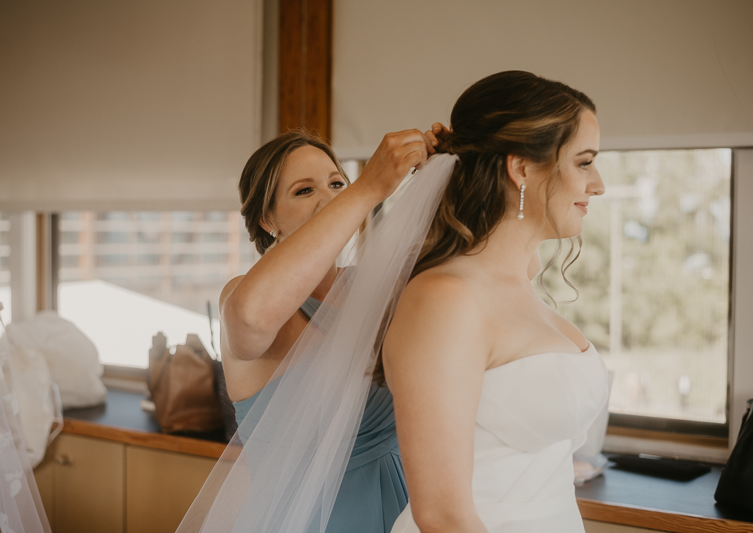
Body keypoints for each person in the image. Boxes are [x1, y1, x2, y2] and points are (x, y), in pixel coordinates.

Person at [384, 71, 609, 533]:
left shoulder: (522, 285)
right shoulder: (444, 301)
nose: (598, 184)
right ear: (521, 168)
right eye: (584, 163)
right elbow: (442, 514)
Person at [214, 128, 437, 533]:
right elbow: (251, 318)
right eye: (303, 191)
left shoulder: (376, 290)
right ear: (266, 218)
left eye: (337, 183)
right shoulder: (242, 298)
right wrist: (368, 187)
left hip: (409, 511)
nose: (330, 198)